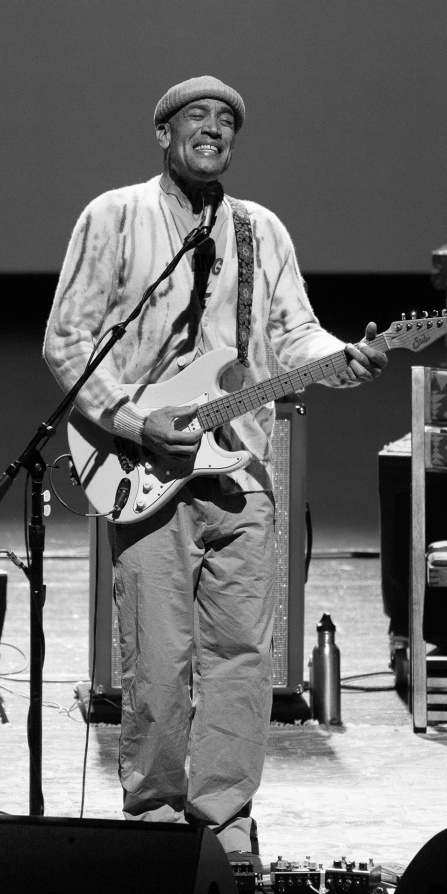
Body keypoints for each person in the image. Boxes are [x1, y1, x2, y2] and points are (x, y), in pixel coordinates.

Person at [44, 76, 387, 867]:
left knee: (241, 654)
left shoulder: (260, 231)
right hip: (143, 467)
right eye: (196, 117)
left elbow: (294, 333)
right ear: (163, 134)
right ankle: (159, 817)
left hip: (241, 470)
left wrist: (347, 360)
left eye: (227, 121)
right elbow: (66, 343)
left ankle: (224, 815)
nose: (214, 128)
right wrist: (134, 422)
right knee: (158, 658)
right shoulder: (114, 216)